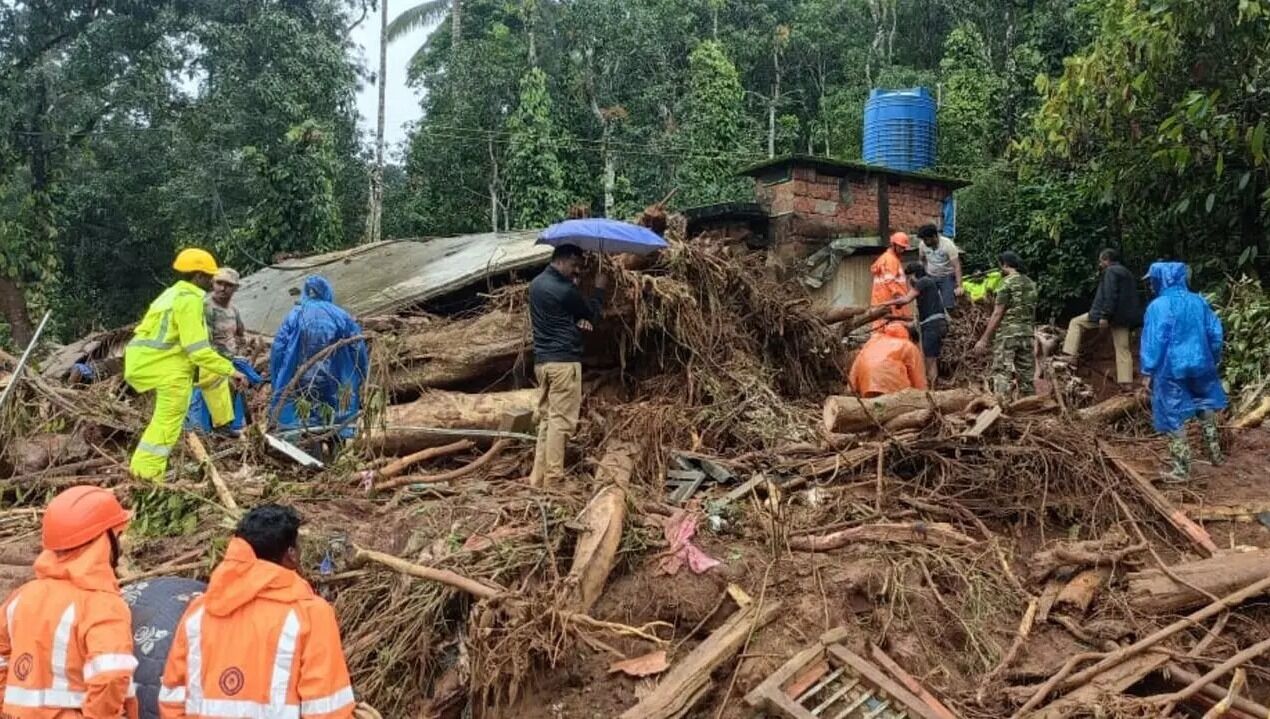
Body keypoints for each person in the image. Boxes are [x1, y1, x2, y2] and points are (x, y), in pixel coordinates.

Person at [159, 505, 355, 719]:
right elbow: (328, 712)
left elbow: (172, 699)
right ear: (290, 555)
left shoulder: (199, 612)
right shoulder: (311, 614)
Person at [0, 485, 138, 718]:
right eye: (119, 534)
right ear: (105, 541)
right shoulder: (102, 605)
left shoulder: (22, 597)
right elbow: (112, 675)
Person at [126, 249, 247, 480]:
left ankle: (222, 424)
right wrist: (233, 371)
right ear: (199, 275)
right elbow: (198, 351)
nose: (214, 283)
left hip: (148, 363)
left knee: (211, 381)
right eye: (211, 277)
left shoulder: (170, 295)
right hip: (169, 369)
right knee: (165, 427)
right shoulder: (190, 301)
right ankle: (147, 477)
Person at [1139, 262, 1226, 482]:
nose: (1151, 284)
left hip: (1171, 367)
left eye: (1153, 279)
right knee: (1205, 405)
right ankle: (1216, 455)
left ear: (1162, 279)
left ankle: (1182, 468)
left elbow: (1154, 340)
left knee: (1172, 414)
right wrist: (1212, 359)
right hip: (1201, 362)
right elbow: (1215, 333)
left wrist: (1148, 370)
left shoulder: (1158, 306)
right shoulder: (1199, 301)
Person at [528, 244, 607, 487]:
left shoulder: (536, 285)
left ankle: (537, 478)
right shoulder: (564, 290)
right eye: (574, 266)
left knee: (547, 421)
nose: (576, 272)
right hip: (563, 364)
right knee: (561, 423)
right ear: (563, 260)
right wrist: (599, 289)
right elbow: (591, 313)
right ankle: (554, 480)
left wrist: (573, 320)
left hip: (543, 363)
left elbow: (560, 316)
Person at [269, 276, 369, 439]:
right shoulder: (341, 315)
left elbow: (279, 349)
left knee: (302, 418)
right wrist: (364, 374)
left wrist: (277, 381)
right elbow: (358, 347)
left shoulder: (294, 315)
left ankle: (300, 444)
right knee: (338, 418)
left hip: (301, 380)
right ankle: (338, 446)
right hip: (336, 379)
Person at [1059, 249, 1143, 388]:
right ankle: (1126, 382)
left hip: (1107, 314)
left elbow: (1110, 295)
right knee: (1123, 349)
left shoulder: (1110, 272)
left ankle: (1070, 356)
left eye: (1101, 261)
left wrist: (1105, 315)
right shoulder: (1127, 273)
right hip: (1123, 318)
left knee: (1076, 322)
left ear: (1106, 260)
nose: (1100, 264)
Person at [974, 251, 1038, 402]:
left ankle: (1001, 410)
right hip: (1027, 334)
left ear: (1005, 265)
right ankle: (1031, 409)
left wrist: (984, 339)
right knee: (1027, 378)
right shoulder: (1031, 283)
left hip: (1008, 334)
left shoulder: (1006, 283)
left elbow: (997, 313)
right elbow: (1032, 311)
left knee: (1002, 374)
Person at [890, 262, 948, 386]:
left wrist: (886, 304)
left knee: (930, 361)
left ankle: (932, 389)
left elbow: (905, 299)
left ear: (914, 275)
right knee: (931, 358)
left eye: (909, 278)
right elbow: (918, 320)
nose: (909, 282)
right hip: (935, 324)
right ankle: (933, 386)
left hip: (932, 326)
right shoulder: (928, 285)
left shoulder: (923, 282)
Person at [848, 322, 927, 397]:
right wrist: (923, 397)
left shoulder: (874, 340)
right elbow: (917, 377)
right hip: (893, 387)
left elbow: (858, 362)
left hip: (867, 385)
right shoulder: (908, 345)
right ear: (911, 338)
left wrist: (851, 387)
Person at [870, 232, 913, 327]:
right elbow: (890, 281)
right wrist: (898, 297)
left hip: (883, 300)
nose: (903, 250)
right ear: (894, 245)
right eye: (901, 247)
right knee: (893, 328)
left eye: (904, 247)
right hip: (890, 301)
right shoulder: (891, 260)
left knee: (882, 326)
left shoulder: (887, 258)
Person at [916, 224, 963, 311]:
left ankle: (948, 320)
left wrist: (959, 286)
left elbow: (957, 266)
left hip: (946, 276)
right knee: (928, 303)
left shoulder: (948, 245)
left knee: (948, 305)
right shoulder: (922, 245)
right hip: (931, 276)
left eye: (926, 239)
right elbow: (921, 261)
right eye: (923, 239)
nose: (924, 242)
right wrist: (921, 277)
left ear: (934, 236)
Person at [205, 268, 245, 358]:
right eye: (219, 283)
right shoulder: (206, 308)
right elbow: (206, 344)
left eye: (228, 285)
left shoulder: (233, 309)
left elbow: (241, 335)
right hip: (215, 362)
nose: (222, 288)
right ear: (212, 283)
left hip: (233, 358)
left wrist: (241, 351)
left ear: (236, 288)